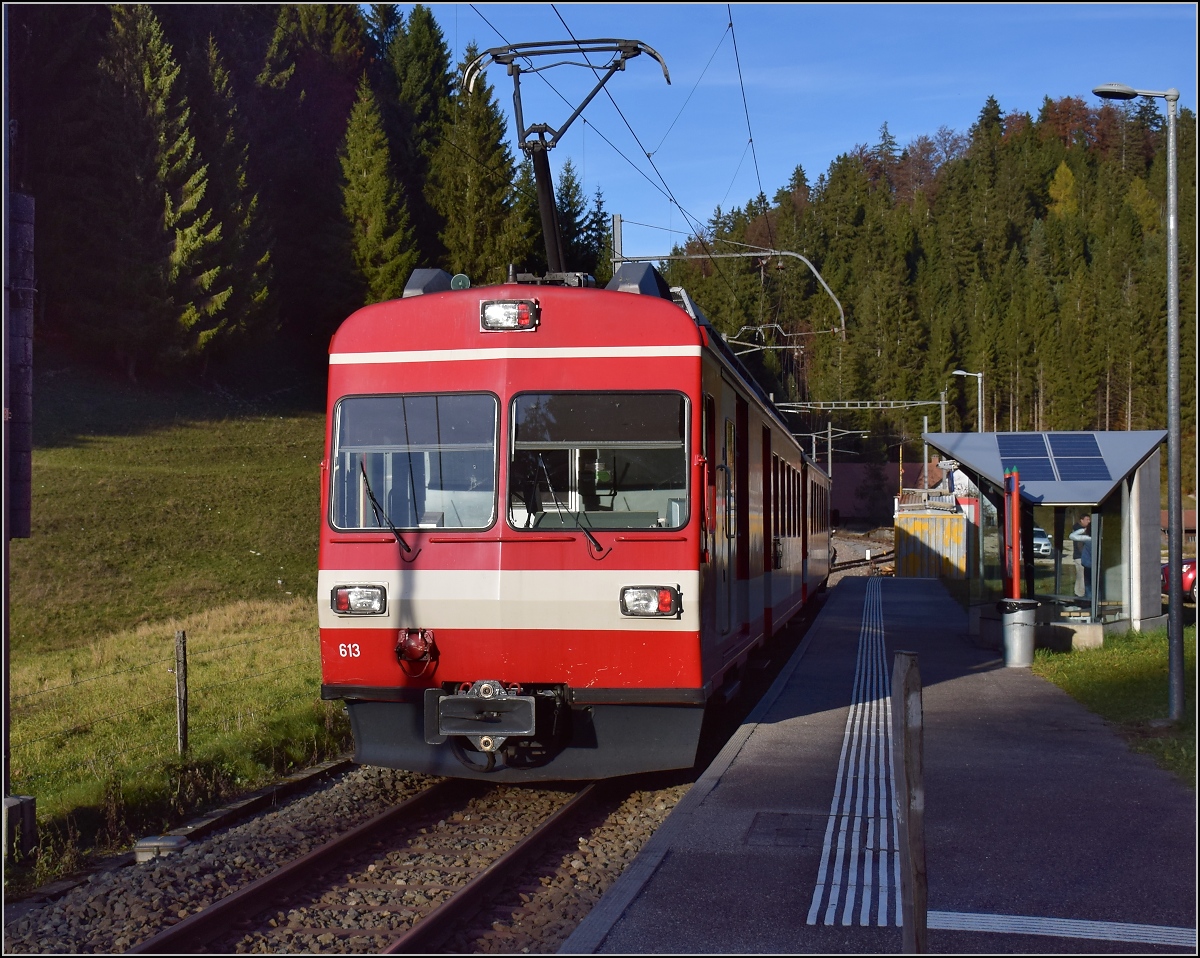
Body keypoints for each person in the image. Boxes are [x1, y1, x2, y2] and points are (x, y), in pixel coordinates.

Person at [1069, 514, 1093, 600]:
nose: (1089, 521)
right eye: (1087, 519)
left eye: (1089, 520)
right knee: (1082, 577)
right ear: (1081, 520)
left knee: (1080, 576)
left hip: (1081, 557)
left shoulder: (1082, 532)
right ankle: (1081, 595)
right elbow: (1077, 543)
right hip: (1081, 557)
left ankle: (1079, 593)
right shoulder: (1082, 533)